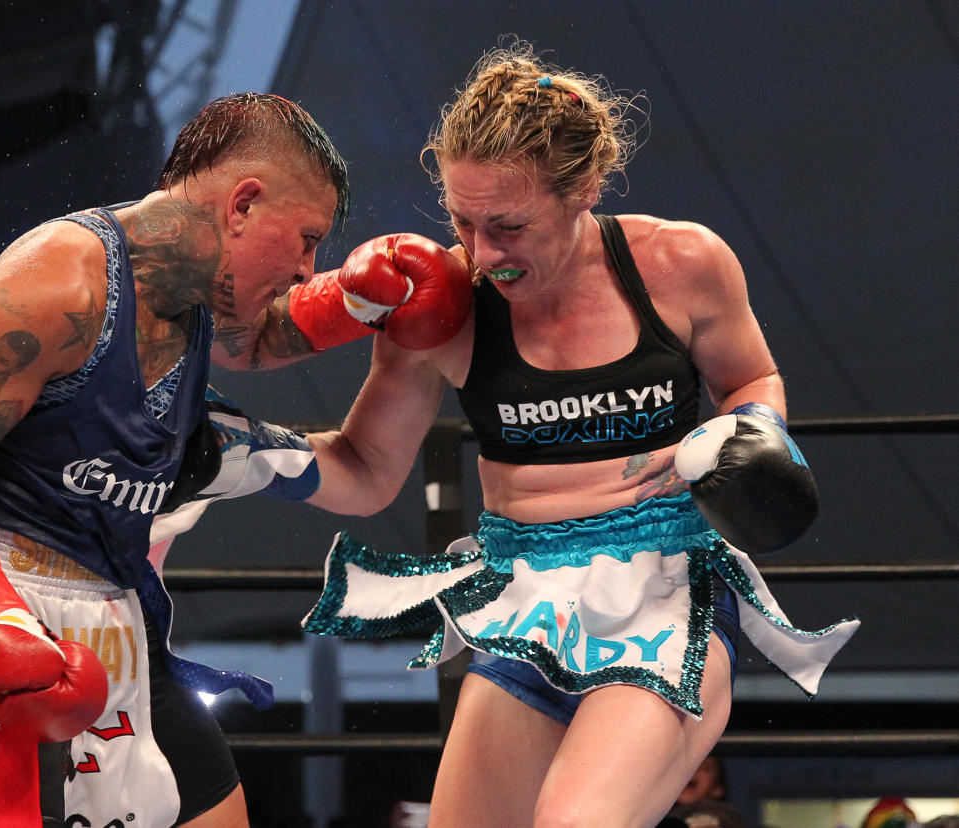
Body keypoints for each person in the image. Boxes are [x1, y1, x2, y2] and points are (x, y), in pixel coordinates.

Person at [0, 91, 471, 828]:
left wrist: (382, 313)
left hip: (115, 618)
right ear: (243, 204)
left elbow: (280, 361)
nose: (305, 268)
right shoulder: (65, 281)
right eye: (304, 238)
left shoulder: (198, 303)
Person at [294, 40, 859, 827]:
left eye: (510, 226)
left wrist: (753, 432)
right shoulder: (443, 301)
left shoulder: (679, 264)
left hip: (667, 591)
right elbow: (364, 470)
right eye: (463, 221)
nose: (485, 254)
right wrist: (245, 458)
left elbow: (750, 379)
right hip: (526, 607)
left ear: (585, 190)